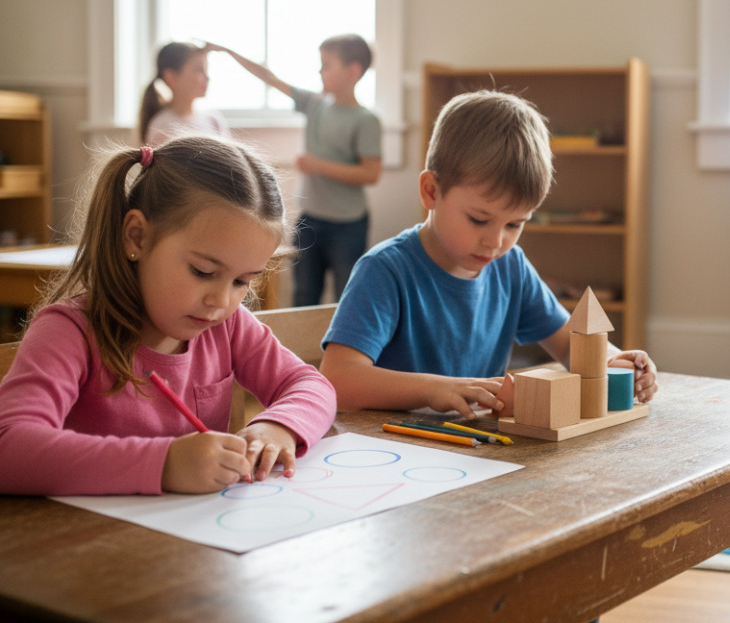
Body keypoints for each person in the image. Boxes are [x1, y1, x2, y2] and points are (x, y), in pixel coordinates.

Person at [0, 136, 337, 496]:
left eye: (242, 281)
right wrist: (165, 464)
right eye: (203, 272)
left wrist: (279, 426)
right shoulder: (70, 332)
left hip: (195, 529)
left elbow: (312, 386)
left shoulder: (228, 326)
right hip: (86, 530)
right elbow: (9, 447)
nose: (221, 300)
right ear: (137, 237)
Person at [318, 90, 658, 419]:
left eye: (514, 224)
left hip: (480, 444)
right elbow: (339, 380)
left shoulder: (511, 266)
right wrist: (436, 390)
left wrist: (613, 362)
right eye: (479, 220)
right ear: (431, 191)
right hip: (393, 445)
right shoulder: (385, 270)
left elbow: (571, 345)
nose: (495, 241)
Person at [208, 36, 382, 306]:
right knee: (304, 296)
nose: (320, 71)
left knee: (346, 298)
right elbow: (269, 77)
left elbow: (371, 174)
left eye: (327, 65)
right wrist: (228, 51)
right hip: (309, 219)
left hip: (348, 226)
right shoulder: (315, 104)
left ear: (353, 71)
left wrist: (319, 166)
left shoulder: (366, 120)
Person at [138, 42, 231, 146]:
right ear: (171, 77)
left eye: (206, 69)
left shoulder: (214, 121)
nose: (207, 77)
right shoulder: (162, 126)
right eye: (199, 70)